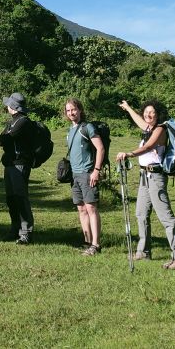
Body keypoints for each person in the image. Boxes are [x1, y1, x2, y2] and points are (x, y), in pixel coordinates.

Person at [116, 99, 175, 269]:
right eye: (146, 112)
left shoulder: (160, 129)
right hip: (144, 176)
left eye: (152, 112)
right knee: (141, 213)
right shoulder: (149, 127)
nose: (148, 115)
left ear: (158, 114)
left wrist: (129, 153)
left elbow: (149, 146)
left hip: (156, 177)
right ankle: (143, 252)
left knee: (166, 217)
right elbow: (140, 121)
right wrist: (127, 108)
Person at [64, 98, 105, 256]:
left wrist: (96, 170)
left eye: (73, 109)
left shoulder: (87, 127)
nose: (71, 113)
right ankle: (87, 242)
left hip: (88, 173)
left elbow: (100, 149)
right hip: (75, 175)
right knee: (81, 209)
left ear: (80, 110)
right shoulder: (70, 130)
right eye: (68, 111)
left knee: (91, 208)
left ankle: (96, 244)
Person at [0, 92, 35, 245]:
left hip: (20, 164)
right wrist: (5, 137)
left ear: (13, 107)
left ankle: (26, 232)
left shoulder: (23, 122)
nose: (7, 106)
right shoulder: (12, 122)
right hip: (10, 164)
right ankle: (15, 229)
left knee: (20, 198)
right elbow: (1, 140)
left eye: (9, 104)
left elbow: (5, 139)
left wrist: (6, 137)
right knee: (11, 199)